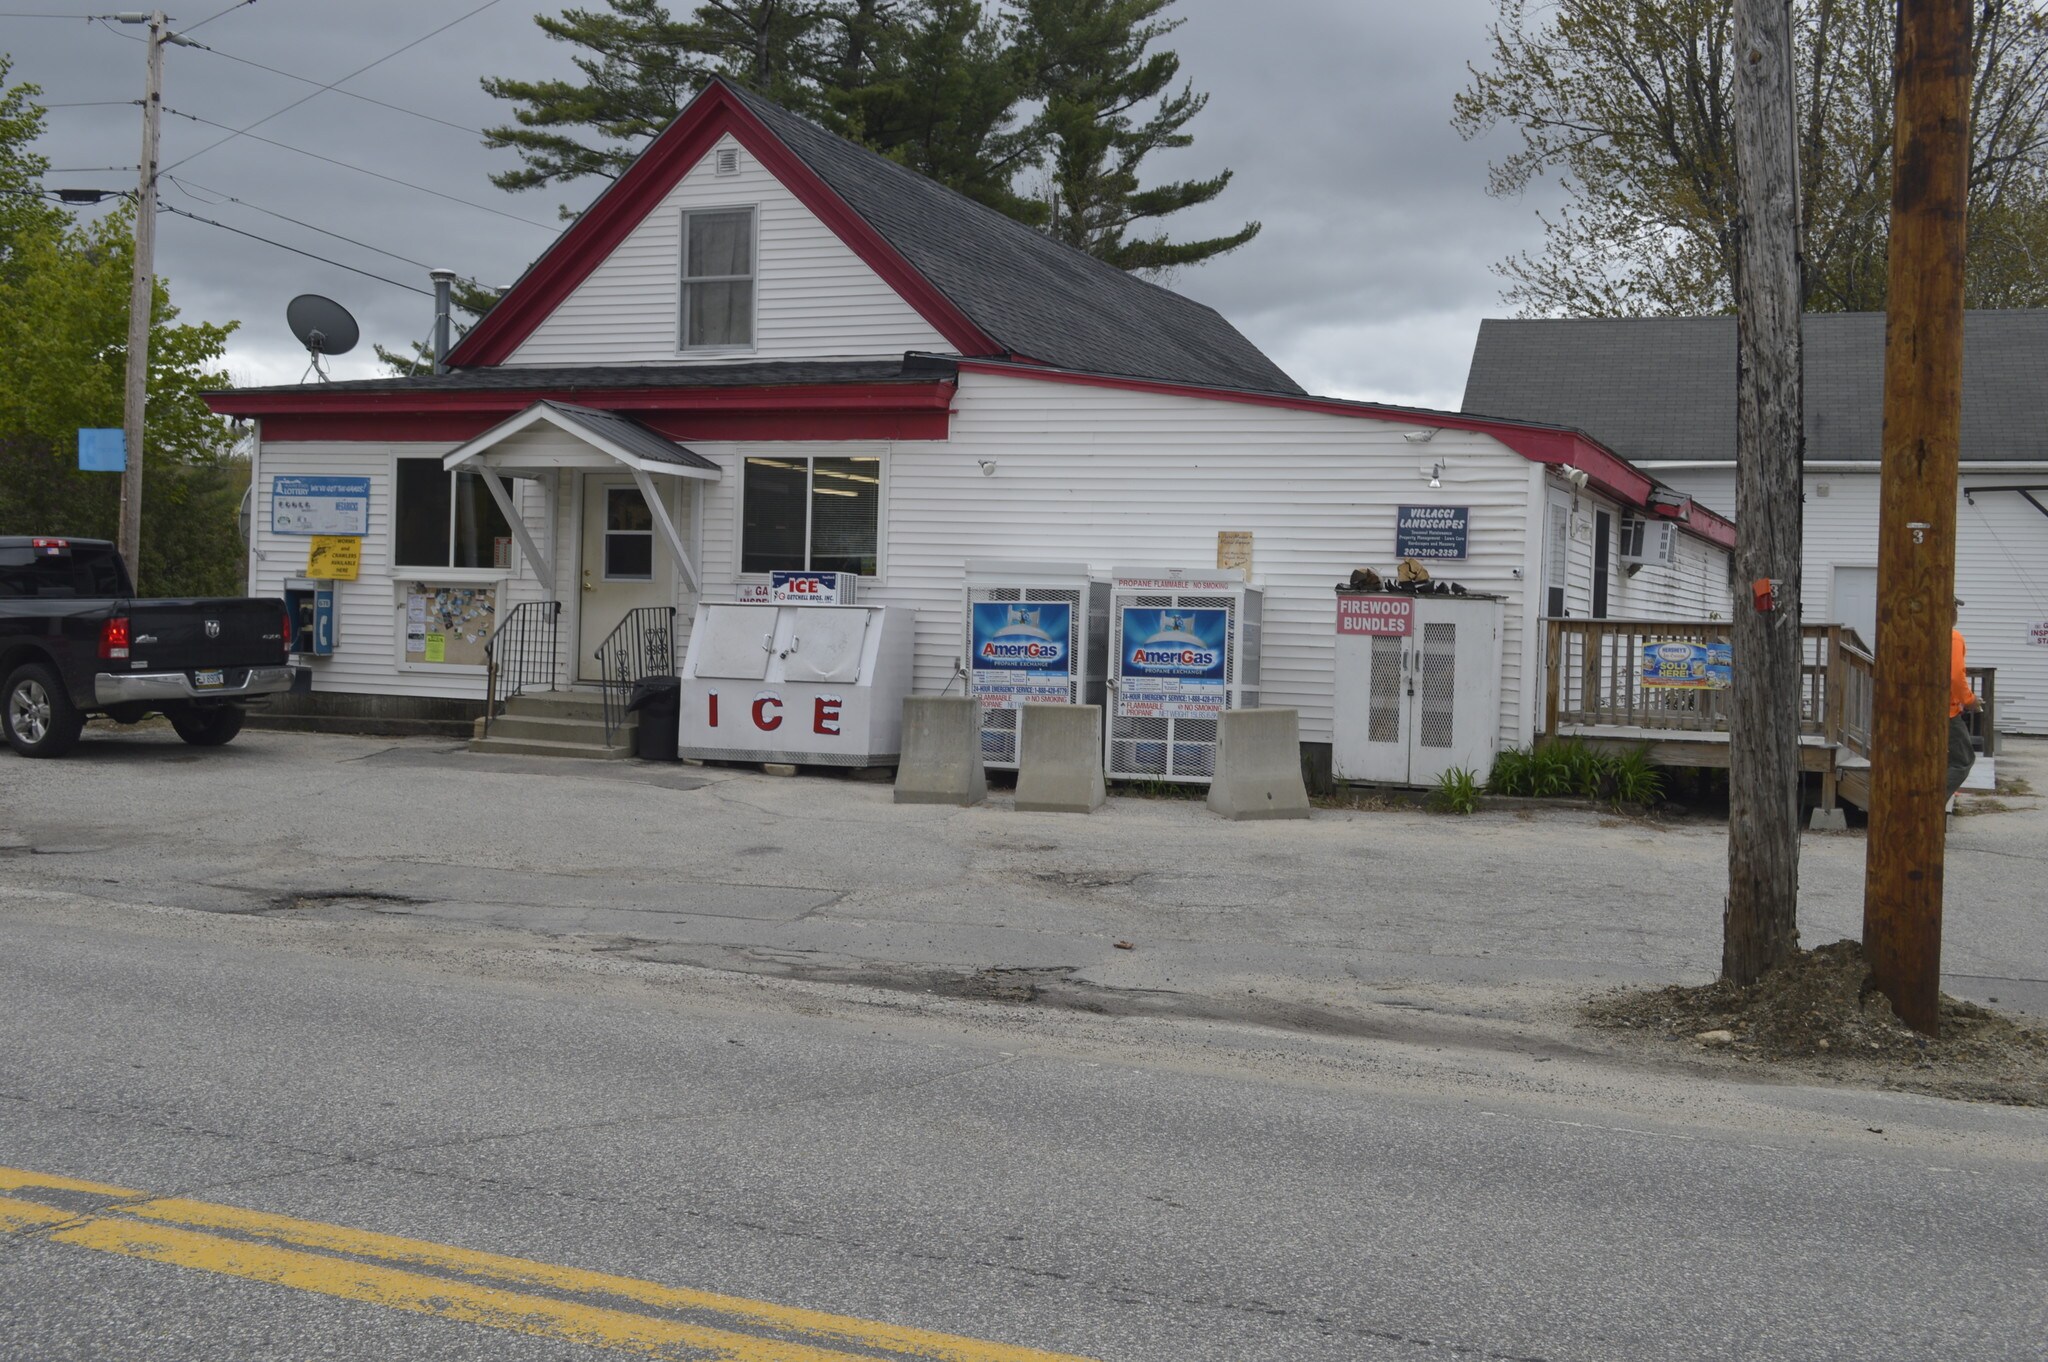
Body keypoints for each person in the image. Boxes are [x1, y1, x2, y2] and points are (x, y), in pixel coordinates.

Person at [1946, 616, 1981, 803]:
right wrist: (1969, 700)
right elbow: (1955, 676)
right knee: (1962, 761)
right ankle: (1929, 804)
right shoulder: (1953, 637)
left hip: (1919, 709)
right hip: (1946, 713)